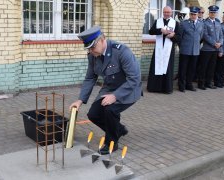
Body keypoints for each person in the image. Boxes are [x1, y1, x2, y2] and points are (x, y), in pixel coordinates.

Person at [70, 26, 142, 155]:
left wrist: (115, 96)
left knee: (110, 110)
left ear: (102, 39)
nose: (91, 51)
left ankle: (111, 143)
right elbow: (90, 77)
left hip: (129, 89)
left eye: (93, 47)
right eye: (89, 48)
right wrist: (80, 100)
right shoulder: (93, 55)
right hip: (109, 89)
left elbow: (134, 78)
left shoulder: (121, 51)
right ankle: (118, 129)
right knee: (93, 114)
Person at [147, 6, 178, 94]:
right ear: (163, 12)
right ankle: (154, 87)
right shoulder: (158, 21)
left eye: (168, 12)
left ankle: (166, 88)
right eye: (165, 12)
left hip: (169, 50)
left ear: (171, 13)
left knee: (167, 68)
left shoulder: (175, 23)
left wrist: (173, 36)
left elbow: (179, 38)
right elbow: (151, 31)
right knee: (156, 67)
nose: (166, 14)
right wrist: (160, 30)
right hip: (158, 50)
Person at [177, 6, 204, 92]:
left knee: (192, 69)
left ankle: (189, 84)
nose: (193, 16)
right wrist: (182, 47)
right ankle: (181, 85)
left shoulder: (201, 24)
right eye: (191, 14)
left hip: (195, 50)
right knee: (183, 69)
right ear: (189, 14)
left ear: (197, 14)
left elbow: (201, 36)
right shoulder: (183, 23)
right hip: (185, 50)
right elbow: (179, 38)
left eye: (195, 14)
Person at [197, 5, 223, 90]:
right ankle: (201, 84)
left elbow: (221, 35)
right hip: (207, 49)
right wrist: (214, 43)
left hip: (215, 49)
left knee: (211, 67)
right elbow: (205, 35)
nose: (213, 14)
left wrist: (220, 43)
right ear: (209, 13)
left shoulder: (218, 23)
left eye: (214, 12)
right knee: (204, 67)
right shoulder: (205, 23)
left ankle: (208, 83)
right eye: (211, 12)